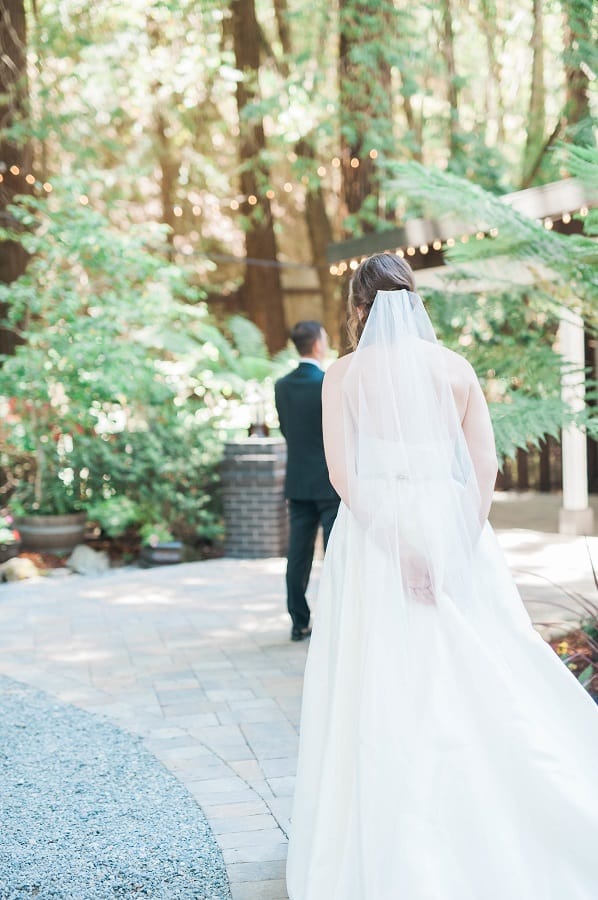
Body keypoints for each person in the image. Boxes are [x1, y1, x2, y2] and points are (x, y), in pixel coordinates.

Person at [286, 253, 598, 899]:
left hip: (375, 534)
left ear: (358, 305)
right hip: (451, 524)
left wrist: (400, 551)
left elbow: (343, 477)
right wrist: (455, 542)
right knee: (479, 661)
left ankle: (393, 832)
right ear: (412, 297)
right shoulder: (455, 369)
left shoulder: (341, 375)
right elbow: (484, 467)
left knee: (380, 676)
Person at [275, 321, 340, 642]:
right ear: (317, 344)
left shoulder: (281, 386)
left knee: (297, 555)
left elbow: (288, 431)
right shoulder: (328, 383)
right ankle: (334, 620)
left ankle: (299, 622)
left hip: (298, 481)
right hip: (330, 482)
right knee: (335, 554)